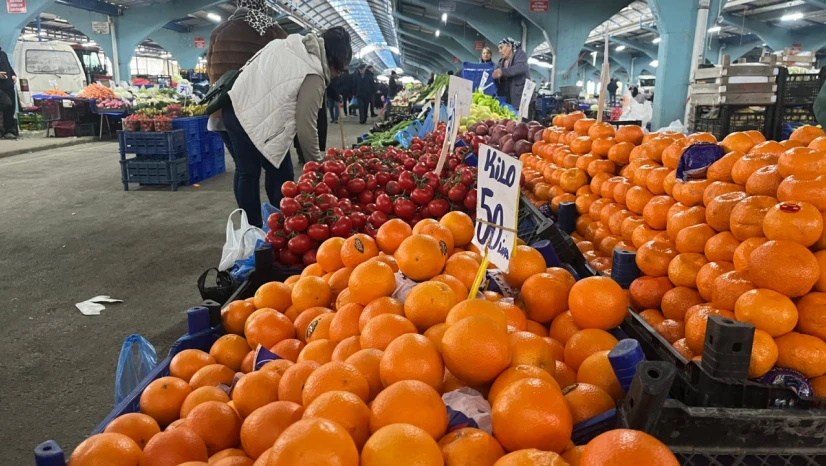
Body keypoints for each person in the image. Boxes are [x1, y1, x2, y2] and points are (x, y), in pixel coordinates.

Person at [222, 26, 352, 227]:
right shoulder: (314, 74)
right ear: (333, 59)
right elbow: (306, 126)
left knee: (246, 172)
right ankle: (281, 226)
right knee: (282, 175)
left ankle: (251, 231)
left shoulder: (288, 44)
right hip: (258, 119)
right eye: (340, 70)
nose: (337, 76)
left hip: (233, 107)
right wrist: (316, 167)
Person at [207, 0, 287, 192]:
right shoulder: (271, 30)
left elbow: (210, 73)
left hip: (223, 112)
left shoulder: (219, 31)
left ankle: (250, 221)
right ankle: (280, 219)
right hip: (260, 115)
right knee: (277, 170)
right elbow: (284, 72)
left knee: (245, 172)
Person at [492, 37, 530, 109]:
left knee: (522, 120)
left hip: (522, 99)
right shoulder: (501, 62)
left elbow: (521, 67)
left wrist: (502, 72)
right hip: (508, 101)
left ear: (509, 46)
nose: (499, 51)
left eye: (501, 48)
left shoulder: (520, 54)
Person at [0, 45, 19, 139]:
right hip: (1, 87)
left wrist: (13, 75)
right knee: (6, 104)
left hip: (8, 85)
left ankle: (9, 131)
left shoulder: (3, 54)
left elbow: (9, 67)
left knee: (11, 107)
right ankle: (4, 130)